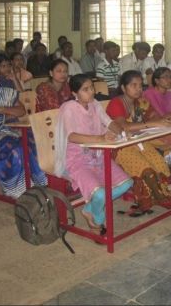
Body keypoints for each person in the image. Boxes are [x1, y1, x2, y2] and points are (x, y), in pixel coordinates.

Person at [54, 74, 133, 233]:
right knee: (101, 194)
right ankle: (98, 219)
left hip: (97, 155)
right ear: (75, 93)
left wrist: (123, 133)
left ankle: (88, 209)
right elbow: (72, 136)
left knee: (127, 183)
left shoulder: (95, 104)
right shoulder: (69, 108)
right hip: (77, 159)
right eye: (86, 89)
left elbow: (109, 122)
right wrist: (101, 138)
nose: (91, 92)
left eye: (92, 88)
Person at [106, 70, 171, 211]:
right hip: (120, 146)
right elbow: (123, 127)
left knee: (160, 164)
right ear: (123, 88)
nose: (138, 89)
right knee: (146, 170)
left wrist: (162, 122)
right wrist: (151, 124)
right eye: (133, 85)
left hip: (140, 142)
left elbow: (155, 117)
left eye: (140, 85)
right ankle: (166, 201)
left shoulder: (142, 102)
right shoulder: (116, 103)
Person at [0, 63, 47, 198]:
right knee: (17, 149)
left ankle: (39, 181)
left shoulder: (5, 90)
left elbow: (21, 110)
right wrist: (9, 115)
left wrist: (3, 109)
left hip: (12, 128)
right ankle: (16, 188)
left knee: (36, 140)